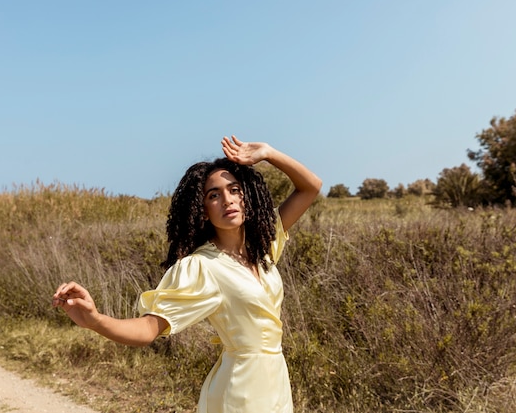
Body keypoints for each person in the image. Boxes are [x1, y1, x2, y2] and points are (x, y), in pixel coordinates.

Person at [53, 135, 322, 412]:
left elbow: (310, 187)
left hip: (276, 383)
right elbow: (148, 329)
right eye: (214, 195)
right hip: (238, 392)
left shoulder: (263, 247)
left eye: (234, 190)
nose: (227, 200)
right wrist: (96, 320)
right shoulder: (201, 266)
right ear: (203, 211)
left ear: (247, 198)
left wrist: (268, 153)